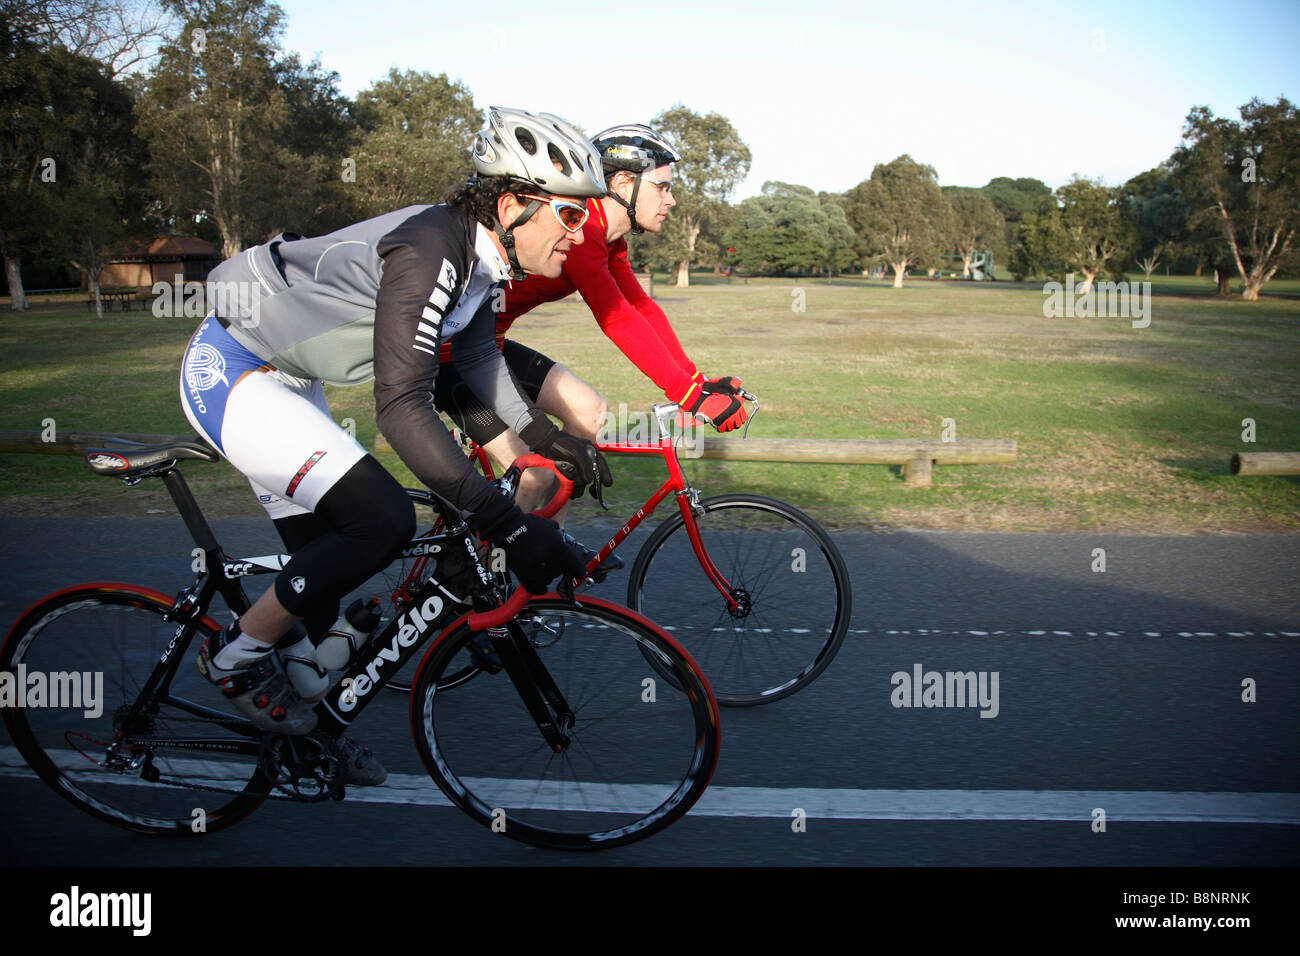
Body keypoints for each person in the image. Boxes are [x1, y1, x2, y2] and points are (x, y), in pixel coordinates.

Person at [179, 107, 613, 784]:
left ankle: (311, 735)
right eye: (570, 215)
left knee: (325, 628)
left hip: (288, 380)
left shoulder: (481, 263)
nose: (580, 233)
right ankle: (233, 658)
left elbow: (477, 366)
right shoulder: (432, 250)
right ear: (513, 205)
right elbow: (401, 406)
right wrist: (504, 521)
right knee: (381, 519)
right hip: (234, 371)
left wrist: (551, 443)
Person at [434, 123, 748, 550]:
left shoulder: (607, 237)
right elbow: (616, 318)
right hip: (445, 358)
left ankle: (553, 542)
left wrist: (695, 381)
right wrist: (689, 395)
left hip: (489, 349)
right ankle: (486, 584)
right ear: (623, 182)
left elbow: (641, 308)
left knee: (590, 411)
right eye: (662, 187)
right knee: (536, 473)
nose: (671, 199)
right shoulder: (584, 232)